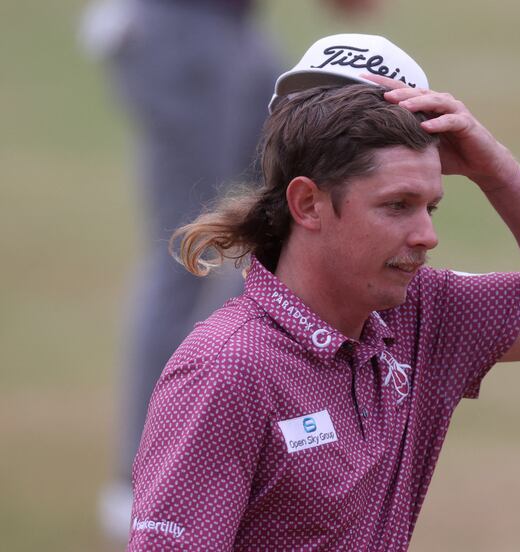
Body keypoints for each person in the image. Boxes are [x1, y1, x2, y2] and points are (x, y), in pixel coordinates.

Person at [127, 34, 520, 550]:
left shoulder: (420, 314)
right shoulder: (227, 370)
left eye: (430, 207)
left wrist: (498, 171)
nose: (427, 236)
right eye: (397, 205)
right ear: (307, 204)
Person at [80, 1, 378, 538]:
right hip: (180, 25)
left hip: (235, 28)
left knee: (299, 186)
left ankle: (255, 410)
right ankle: (140, 478)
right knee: (181, 251)